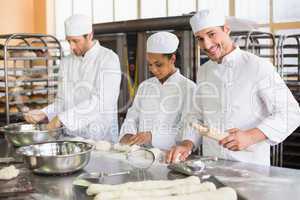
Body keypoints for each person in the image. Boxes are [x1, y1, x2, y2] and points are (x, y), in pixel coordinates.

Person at [166, 9, 300, 165]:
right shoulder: (204, 71)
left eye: (211, 34)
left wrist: (251, 136)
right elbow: (197, 115)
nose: (207, 45)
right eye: (200, 39)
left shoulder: (257, 67)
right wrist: (187, 144)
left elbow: (291, 113)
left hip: (250, 166)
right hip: (212, 163)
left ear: (226, 30)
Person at [24, 14, 121, 142]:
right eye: (69, 41)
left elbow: (102, 101)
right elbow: (62, 101)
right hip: (70, 138)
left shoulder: (108, 59)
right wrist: (44, 113)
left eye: (75, 41)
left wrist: (62, 119)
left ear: (89, 36)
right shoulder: (66, 61)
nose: (71, 47)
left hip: (99, 138)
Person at [119, 31, 196, 150]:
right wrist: (127, 134)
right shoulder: (145, 86)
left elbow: (188, 129)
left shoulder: (189, 88)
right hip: (140, 154)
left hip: (170, 155)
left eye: (158, 64)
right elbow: (132, 117)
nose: (153, 69)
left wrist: (152, 137)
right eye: (150, 64)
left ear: (172, 59)